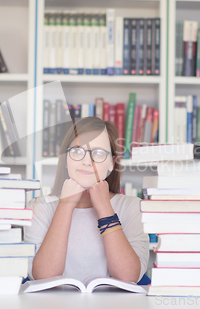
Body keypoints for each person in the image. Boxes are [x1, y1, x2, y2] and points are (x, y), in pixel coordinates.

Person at [24, 117, 149, 283]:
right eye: (77, 151)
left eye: (98, 153)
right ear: (66, 160)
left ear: (111, 164)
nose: (86, 162)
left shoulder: (132, 207)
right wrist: (65, 205)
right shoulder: (40, 207)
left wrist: (104, 207)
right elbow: (44, 277)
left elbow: (128, 277)